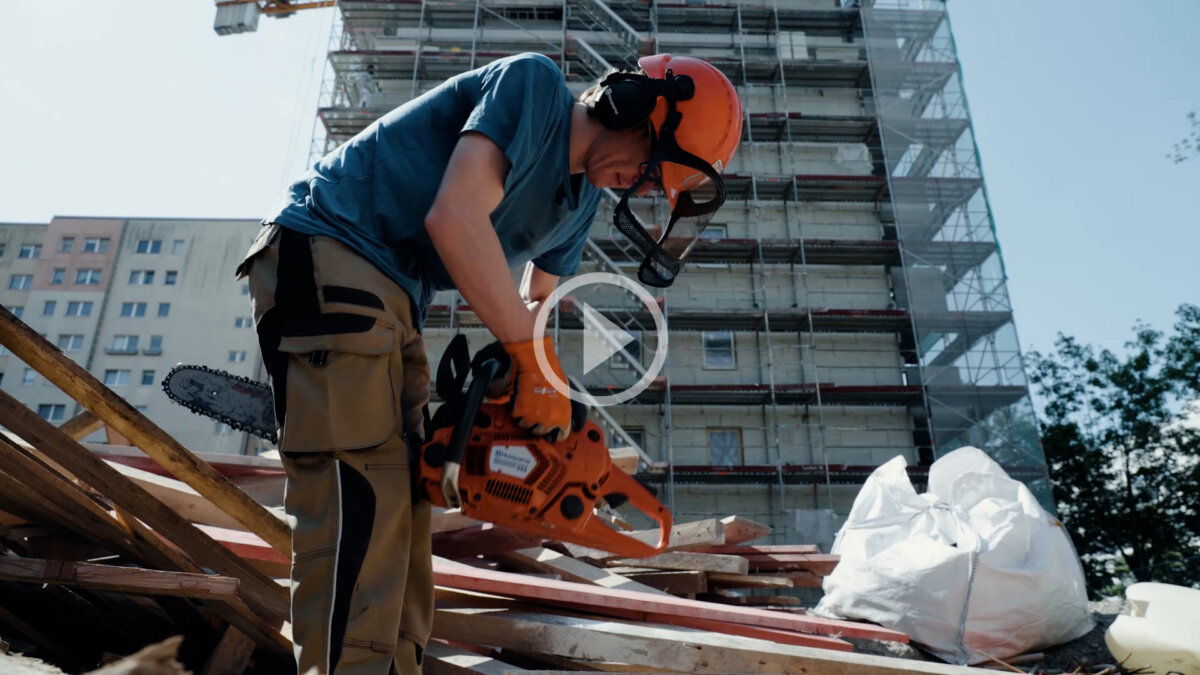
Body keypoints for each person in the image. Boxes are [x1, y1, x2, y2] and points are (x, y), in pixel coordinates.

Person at [236, 51, 741, 674]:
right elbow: (455, 218)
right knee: (360, 496)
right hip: (328, 246)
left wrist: (545, 393)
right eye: (650, 166)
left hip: (395, 293)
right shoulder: (533, 88)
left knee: (408, 502)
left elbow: (536, 302)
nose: (639, 183)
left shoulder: (579, 202)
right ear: (631, 108)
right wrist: (527, 359)